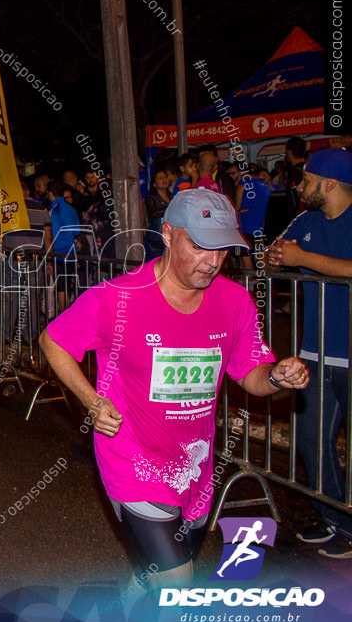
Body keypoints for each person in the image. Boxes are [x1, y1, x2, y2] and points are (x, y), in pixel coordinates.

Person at [39, 188, 308, 591]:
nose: (213, 262)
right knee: (179, 585)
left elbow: (250, 372)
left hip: (193, 469)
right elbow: (53, 340)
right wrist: (91, 401)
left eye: (223, 249)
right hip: (133, 461)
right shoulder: (118, 299)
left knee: (161, 571)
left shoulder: (235, 301)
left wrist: (276, 377)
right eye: (200, 246)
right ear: (167, 233)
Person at [266, 147, 352, 559]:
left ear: (330, 183)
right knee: (312, 438)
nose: (300, 187)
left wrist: (304, 259)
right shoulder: (306, 219)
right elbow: (280, 252)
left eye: (307, 180)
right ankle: (336, 518)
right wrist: (276, 257)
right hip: (314, 353)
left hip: (350, 353)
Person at [145, 170, 172, 257]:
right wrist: (170, 208)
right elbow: (154, 214)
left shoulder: (172, 196)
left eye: (165, 177)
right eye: (160, 178)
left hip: (171, 236)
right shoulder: (151, 199)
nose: (164, 179)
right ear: (154, 184)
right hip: (157, 238)